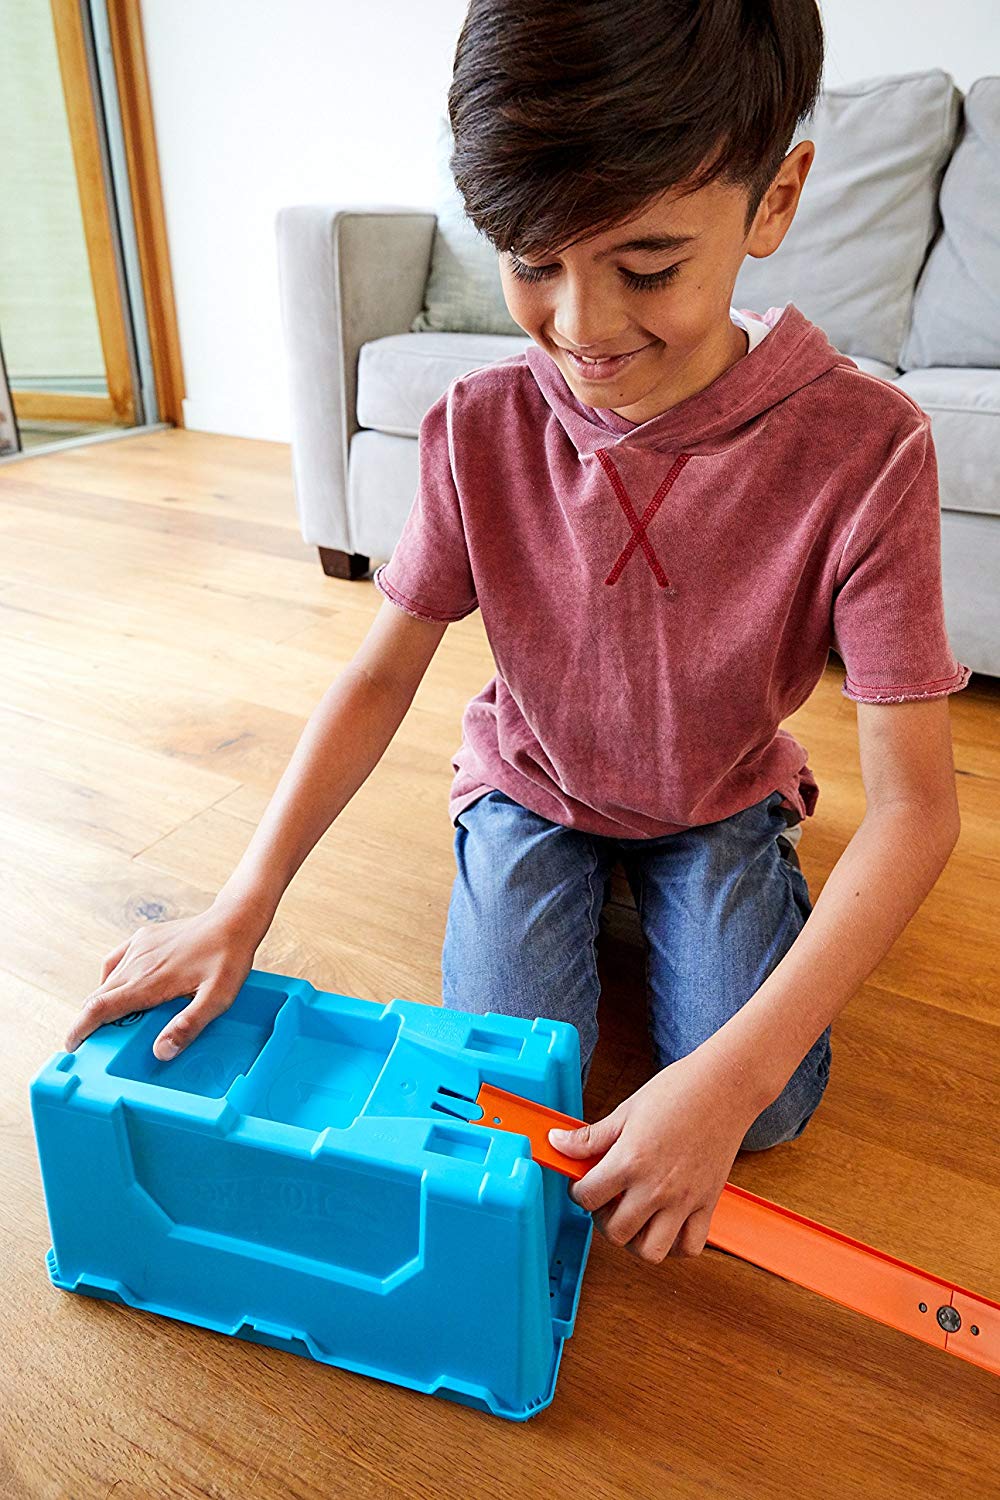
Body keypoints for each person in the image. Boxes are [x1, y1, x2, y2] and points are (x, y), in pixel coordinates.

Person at [65, 0, 969, 1265]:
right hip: (532, 784)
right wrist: (241, 901)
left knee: (768, 1112)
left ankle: (698, 888)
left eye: (647, 266)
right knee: (503, 1099)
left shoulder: (865, 448)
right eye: (533, 262)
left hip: (715, 795)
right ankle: (575, 878)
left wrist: (728, 1082)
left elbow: (916, 808)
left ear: (773, 202)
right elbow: (379, 675)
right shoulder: (480, 424)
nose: (582, 328)